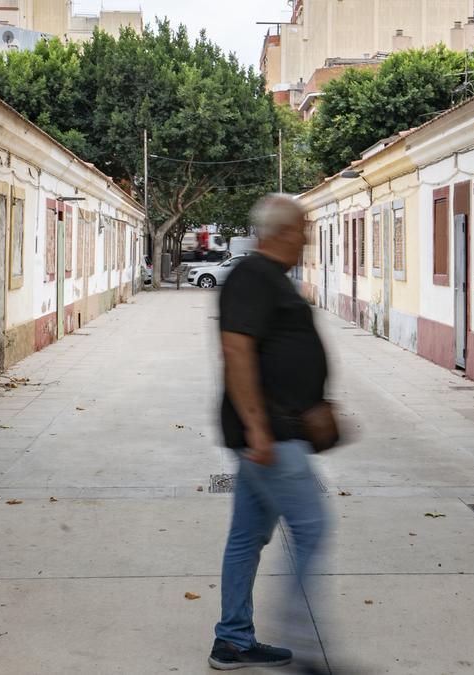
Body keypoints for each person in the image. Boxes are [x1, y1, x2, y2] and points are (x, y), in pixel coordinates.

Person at [209, 194, 331, 673]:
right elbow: (236, 350)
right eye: (302, 228)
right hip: (271, 439)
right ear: (280, 232)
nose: (306, 237)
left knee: (246, 537)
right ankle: (302, 636)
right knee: (313, 529)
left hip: (274, 433)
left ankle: (234, 640)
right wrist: (259, 428)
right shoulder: (253, 277)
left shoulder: (270, 279)